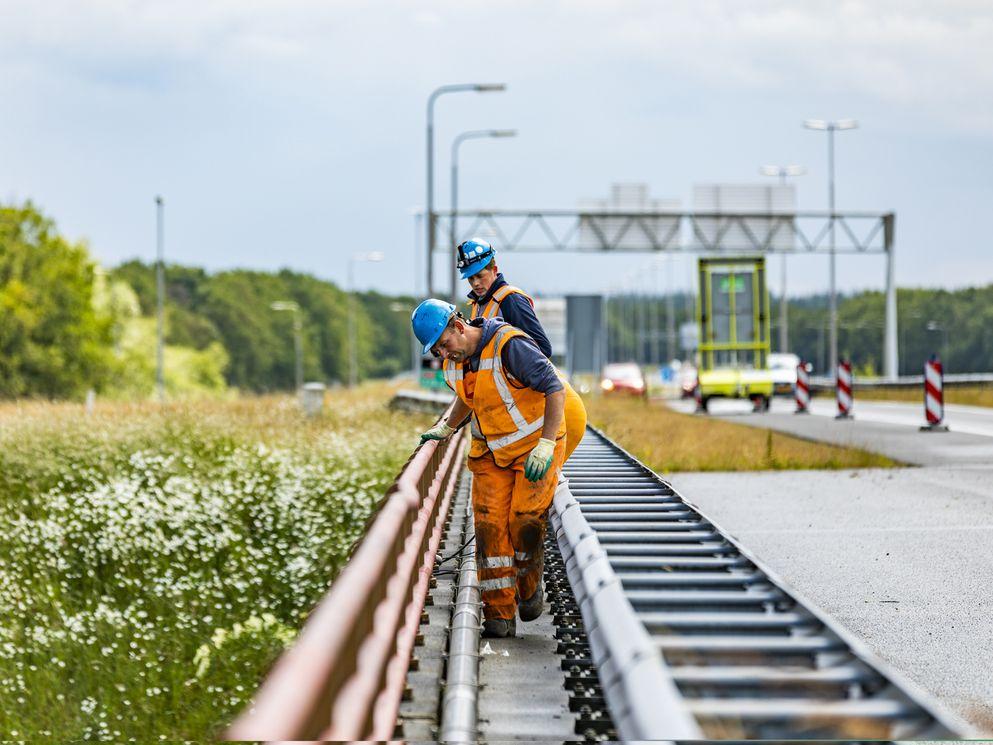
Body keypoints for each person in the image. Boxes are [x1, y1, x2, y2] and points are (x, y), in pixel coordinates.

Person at [411, 298, 576, 639]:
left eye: (445, 344)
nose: (445, 353)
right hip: (491, 452)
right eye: (437, 350)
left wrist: (546, 444)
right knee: (488, 528)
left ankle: (529, 589)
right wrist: (447, 427)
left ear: (459, 326)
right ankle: (498, 615)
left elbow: (554, 388)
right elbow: (468, 396)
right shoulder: (454, 365)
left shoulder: (509, 345)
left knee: (524, 521)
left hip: (534, 447)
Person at [456, 238, 587, 459]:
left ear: (494, 270)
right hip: (537, 412)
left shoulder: (510, 300)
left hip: (557, 409)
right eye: (470, 278)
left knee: (546, 486)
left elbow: (542, 349)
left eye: (480, 275)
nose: (476, 283)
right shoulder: (480, 306)